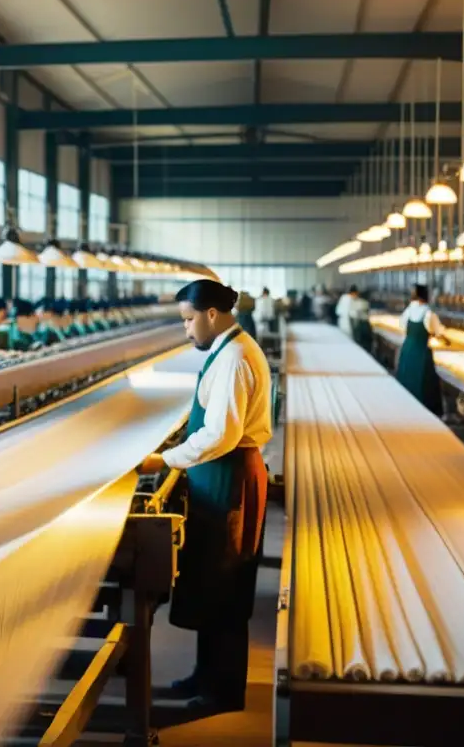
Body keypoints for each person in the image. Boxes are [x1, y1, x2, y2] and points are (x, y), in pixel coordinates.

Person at [139, 279, 272, 715]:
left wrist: (167, 460)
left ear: (211, 314)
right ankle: (205, 674)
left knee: (227, 583)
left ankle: (223, 691)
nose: (186, 329)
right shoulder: (225, 349)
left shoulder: (235, 356)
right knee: (211, 580)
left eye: (188, 320)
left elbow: (220, 434)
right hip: (217, 475)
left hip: (230, 478)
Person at [396, 284, 448, 417]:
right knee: (425, 382)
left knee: (407, 378)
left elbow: (402, 326)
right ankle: (427, 413)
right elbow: (437, 332)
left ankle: (405, 409)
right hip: (421, 353)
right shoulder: (428, 313)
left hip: (407, 351)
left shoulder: (408, 311)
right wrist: (445, 340)